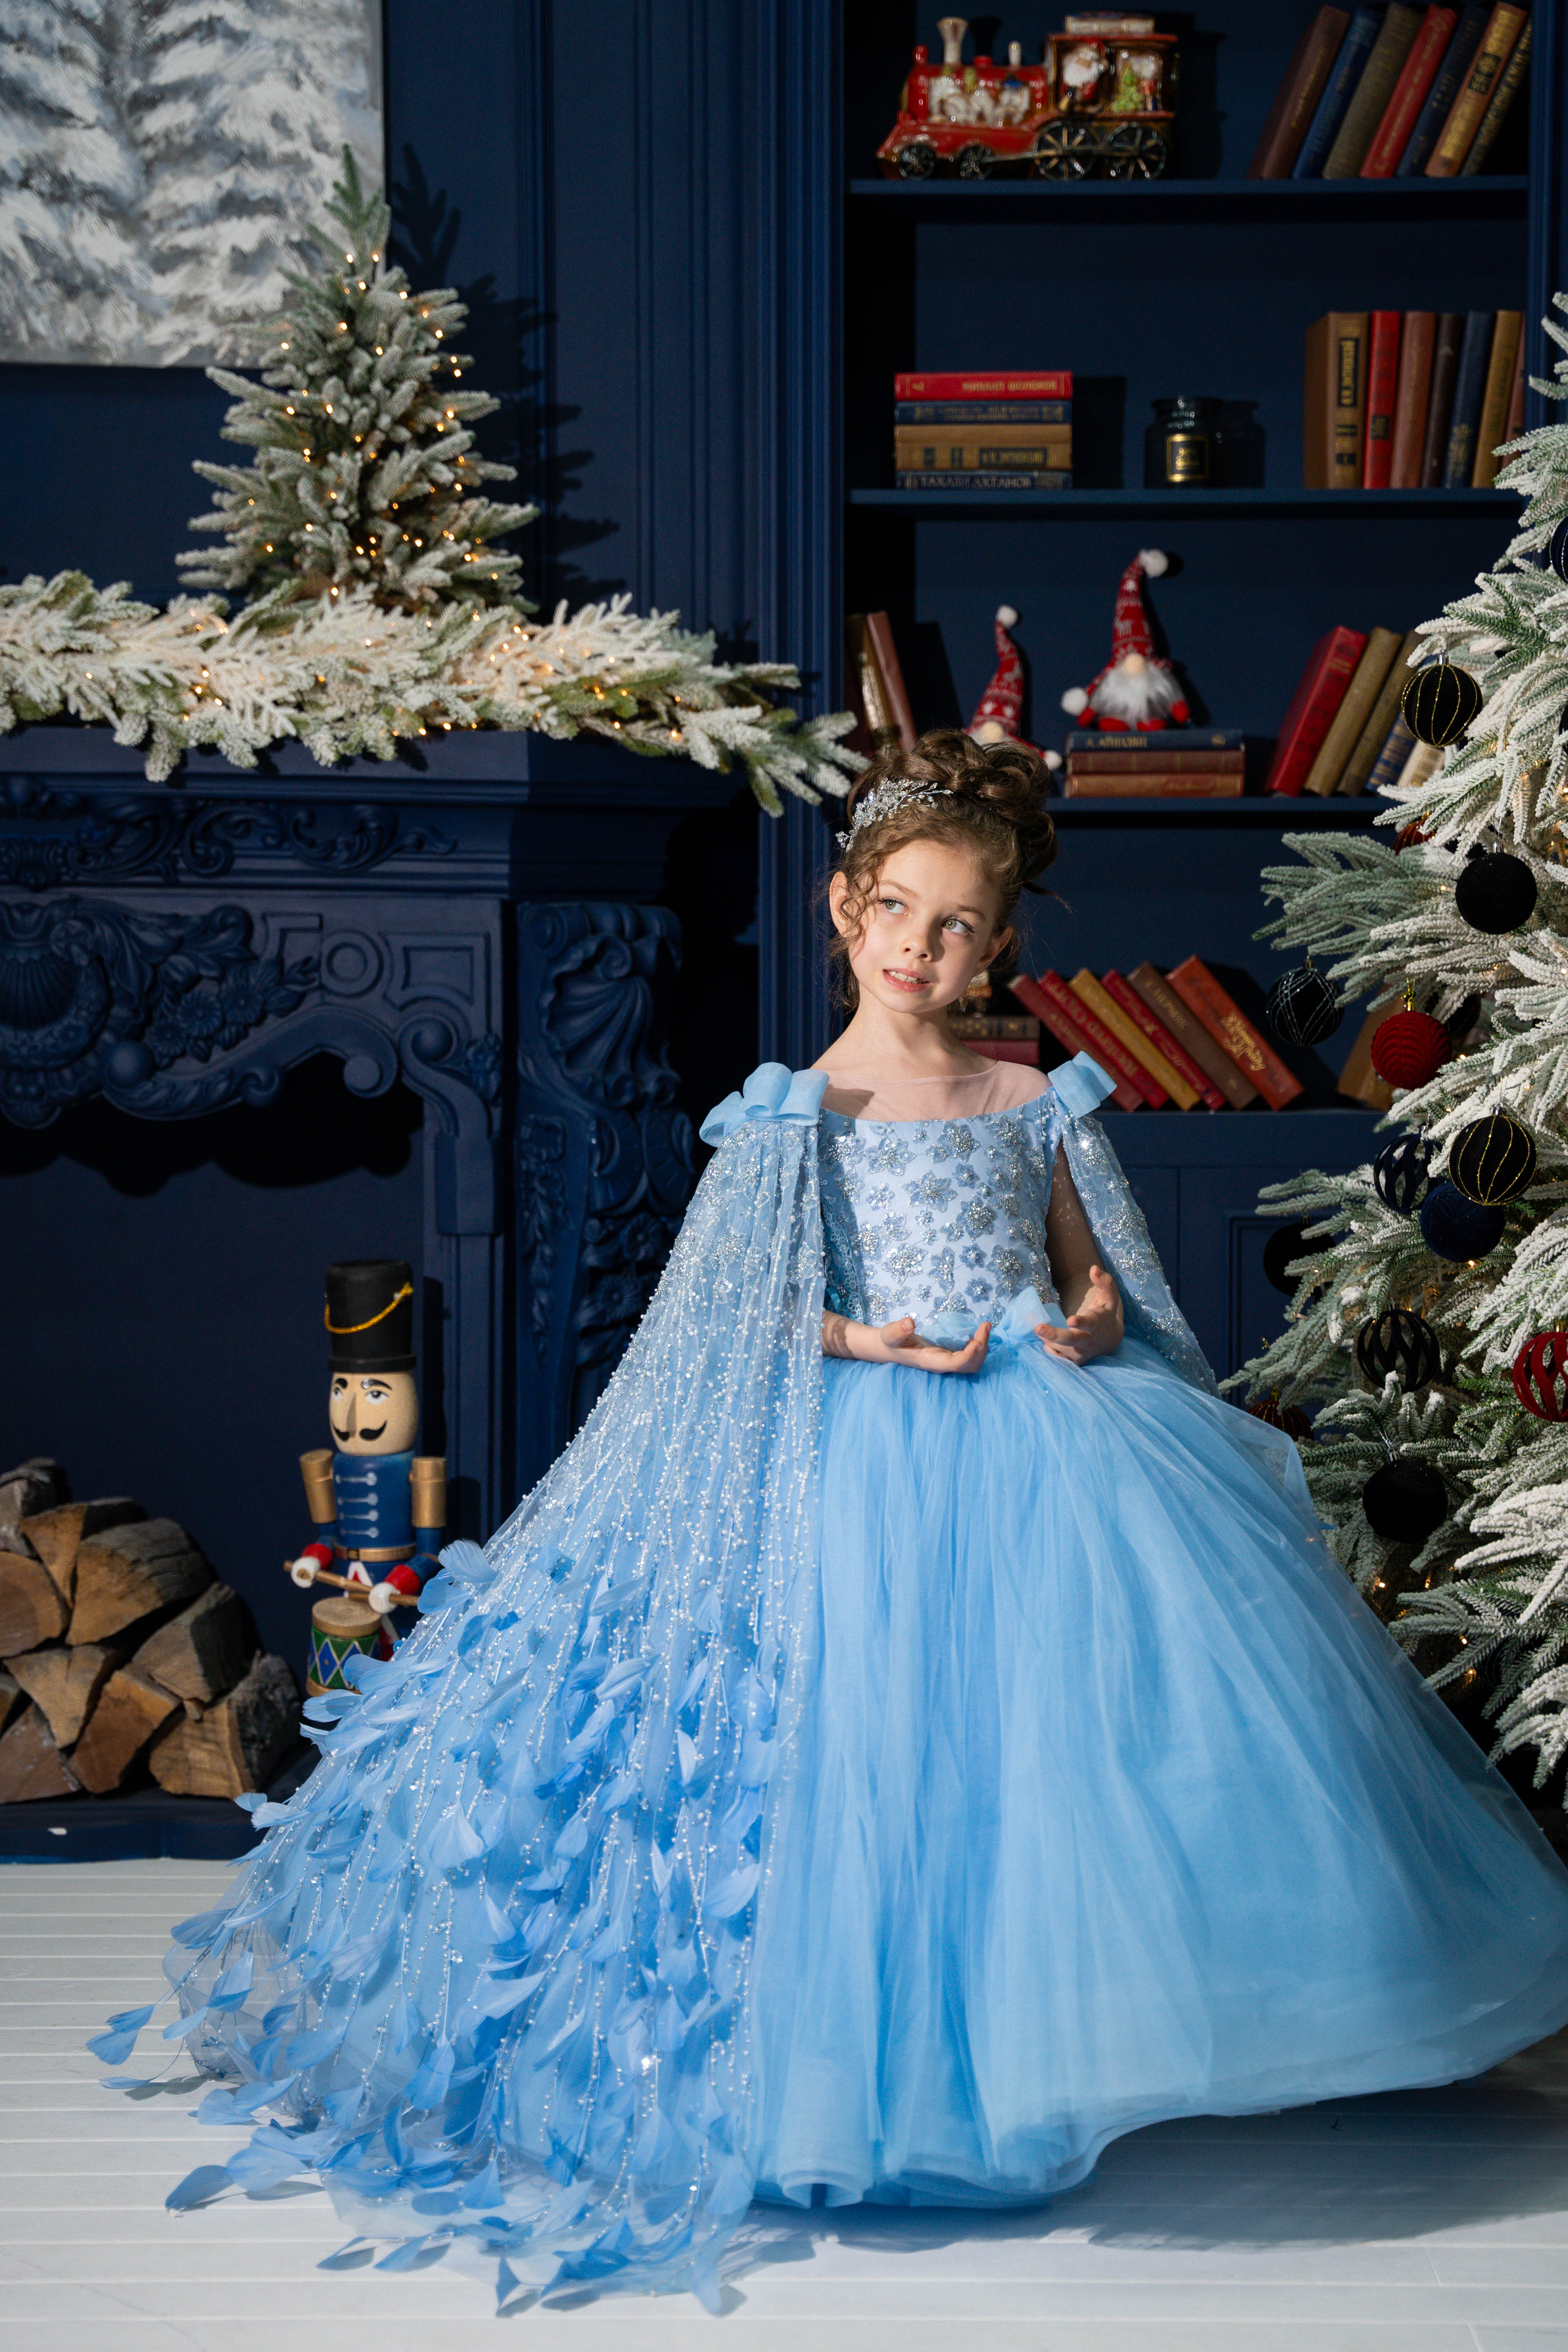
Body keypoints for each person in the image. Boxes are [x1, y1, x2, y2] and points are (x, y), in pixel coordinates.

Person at [98, 730, 1568, 2310]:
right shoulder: (795, 1111)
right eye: (902, 916)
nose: (927, 952)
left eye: (961, 928)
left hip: (1037, 1441)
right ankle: (852, 2078)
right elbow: (736, 1316)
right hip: (862, 1448)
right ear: (844, 912)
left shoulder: (1032, 1095)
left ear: (997, 943)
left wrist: (1078, 1316)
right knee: (866, 1751)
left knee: (1040, 1754)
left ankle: (1040, 2045)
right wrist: (866, 1341)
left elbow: (1091, 1262)